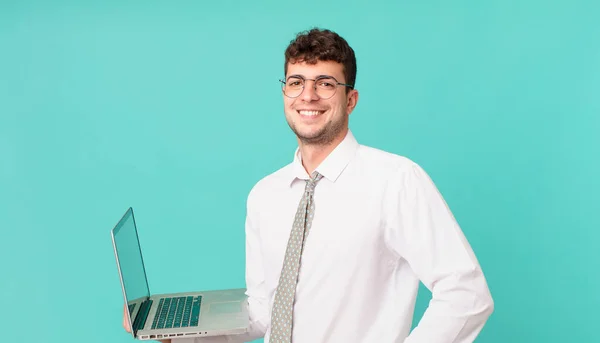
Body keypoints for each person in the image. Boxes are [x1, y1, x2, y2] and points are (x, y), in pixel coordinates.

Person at [124, 27, 494, 343]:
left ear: (351, 100)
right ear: (285, 93)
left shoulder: (396, 181)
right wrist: (181, 330)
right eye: (297, 82)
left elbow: (467, 294)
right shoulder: (264, 195)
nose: (309, 96)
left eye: (325, 84)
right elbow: (264, 312)